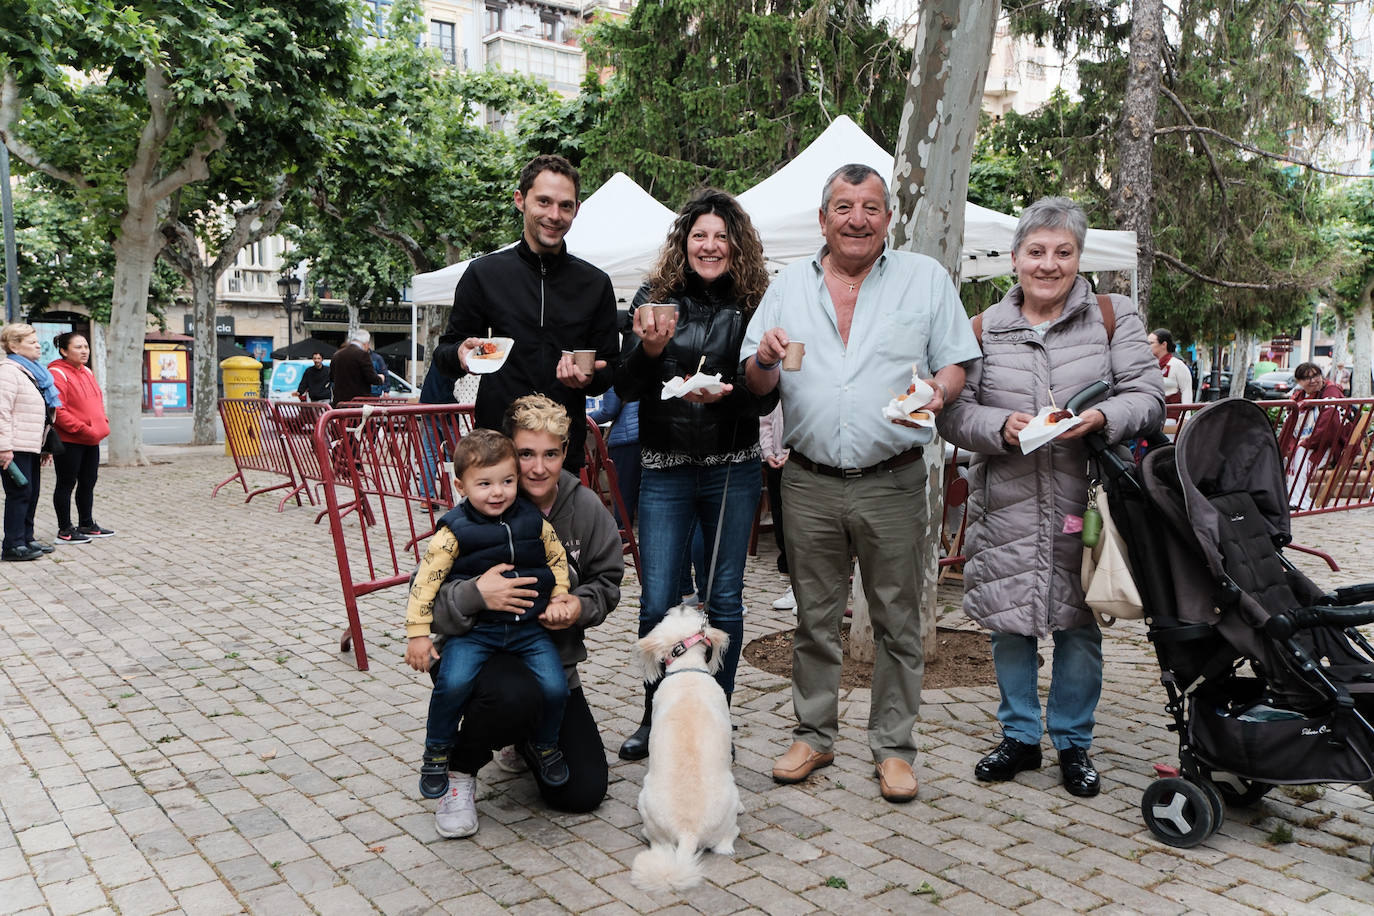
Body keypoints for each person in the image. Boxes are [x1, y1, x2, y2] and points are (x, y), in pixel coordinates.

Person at [741, 164, 979, 802]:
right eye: (844, 206)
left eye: (871, 207)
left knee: (899, 620)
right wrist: (763, 359)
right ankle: (813, 734)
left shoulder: (924, 280)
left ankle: (895, 748)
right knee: (814, 620)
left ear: (887, 219)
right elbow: (755, 382)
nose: (857, 218)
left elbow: (957, 363)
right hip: (810, 481)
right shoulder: (788, 285)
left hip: (894, 479)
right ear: (824, 220)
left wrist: (939, 389)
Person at [936, 196, 1163, 798]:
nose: (1048, 264)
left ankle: (1072, 742)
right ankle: (1018, 737)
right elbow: (954, 414)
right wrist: (1000, 428)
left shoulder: (1113, 317)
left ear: (1078, 258)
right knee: (1009, 627)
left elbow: (1148, 397)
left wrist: (1100, 418)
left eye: (1063, 252)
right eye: (1036, 252)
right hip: (1006, 498)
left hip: (1085, 501)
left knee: (1080, 626)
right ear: (1015, 259)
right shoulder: (982, 327)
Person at [614, 188, 775, 761]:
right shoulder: (652, 298)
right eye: (699, 235)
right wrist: (651, 353)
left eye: (721, 237)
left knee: (723, 597)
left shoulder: (758, 302)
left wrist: (738, 389)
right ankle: (656, 716)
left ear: (737, 246)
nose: (710, 245)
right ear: (684, 242)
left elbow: (761, 403)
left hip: (732, 466)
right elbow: (628, 388)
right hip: (664, 469)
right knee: (658, 597)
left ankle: (716, 718)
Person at [425, 394, 624, 838]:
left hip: (552, 662)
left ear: (566, 453)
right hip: (481, 659)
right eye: (527, 454)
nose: (537, 468)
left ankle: (529, 738)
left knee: (582, 793)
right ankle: (459, 770)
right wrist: (475, 594)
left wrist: (579, 604)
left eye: (551, 454)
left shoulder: (586, 507)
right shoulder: (471, 512)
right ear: (507, 453)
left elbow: (609, 581)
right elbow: (428, 602)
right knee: (511, 697)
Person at [405, 428, 574, 807]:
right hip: (475, 632)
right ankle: (437, 752)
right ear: (460, 485)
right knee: (453, 683)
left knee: (554, 687)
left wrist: (562, 594)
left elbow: (557, 558)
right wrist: (418, 633)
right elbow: (426, 583)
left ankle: (544, 745)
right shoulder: (454, 530)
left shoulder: (532, 520)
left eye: (507, 482)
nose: (497, 492)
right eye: (484, 484)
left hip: (528, 630)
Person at [432, 154, 618, 472]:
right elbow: (445, 355)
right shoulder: (484, 274)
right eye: (543, 202)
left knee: (555, 526)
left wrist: (587, 378)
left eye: (565, 206)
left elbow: (609, 370)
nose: (554, 215)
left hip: (559, 453)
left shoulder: (596, 283)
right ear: (520, 200)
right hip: (497, 450)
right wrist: (461, 356)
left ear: (577, 209)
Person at [0, 323, 59, 561]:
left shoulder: (32, 370)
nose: (38, 345)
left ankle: (27, 538)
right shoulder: (8, 371)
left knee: (31, 492)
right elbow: (2, 411)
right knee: (20, 492)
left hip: (31, 444)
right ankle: (13, 545)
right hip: (15, 445)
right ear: (14, 346)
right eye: (32, 341)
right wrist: (4, 447)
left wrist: (45, 446)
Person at [47, 332, 113, 544]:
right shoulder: (57, 373)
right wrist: (83, 429)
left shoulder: (87, 371)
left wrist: (102, 422)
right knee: (66, 483)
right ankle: (65, 530)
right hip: (70, 440)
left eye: (86, 346)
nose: (84, 351)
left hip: (91, 439)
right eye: (78, 347)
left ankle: (87, 523)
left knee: (88, 482)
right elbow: (58, 410)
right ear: (64, 351)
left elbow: (97, 401)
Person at [1278, 361, 1348, 509]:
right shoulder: (1298, 397)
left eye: (1315, 375)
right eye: (1306, 378)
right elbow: (1288, 425)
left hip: (1330, 444)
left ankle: (1300, 502)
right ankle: (1290, 499)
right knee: (1283, 455)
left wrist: (1306, 442)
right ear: (1299, 381)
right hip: (1306, 442)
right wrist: (1290, 444)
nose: (1313, 380)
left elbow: (1330, 426)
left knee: (1300, 453)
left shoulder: (1331, 392)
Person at [759, 403, 794, 610]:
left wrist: (795, 451)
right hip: (775, 459)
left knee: (804, 528)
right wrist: (767, 450)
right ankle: (793, 585)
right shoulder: (776, 374)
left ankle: (806, 590)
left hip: (801, 458)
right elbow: (765, 420)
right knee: (782, 526)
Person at [330, 330, 384, 406]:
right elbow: (371, 378)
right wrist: (380, 378)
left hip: (340, 403)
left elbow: (331, 377)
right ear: (366, 344)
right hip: (358, 403)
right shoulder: (363, 355)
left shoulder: (337, 355)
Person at [1147, 328, 1193, 406]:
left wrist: (1186, 416)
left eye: (1151, 343)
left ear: (1164, 344)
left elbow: (1186, 391)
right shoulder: (1148, 365)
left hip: (1172, 414)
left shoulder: (1177, 365)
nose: (1147, 346)